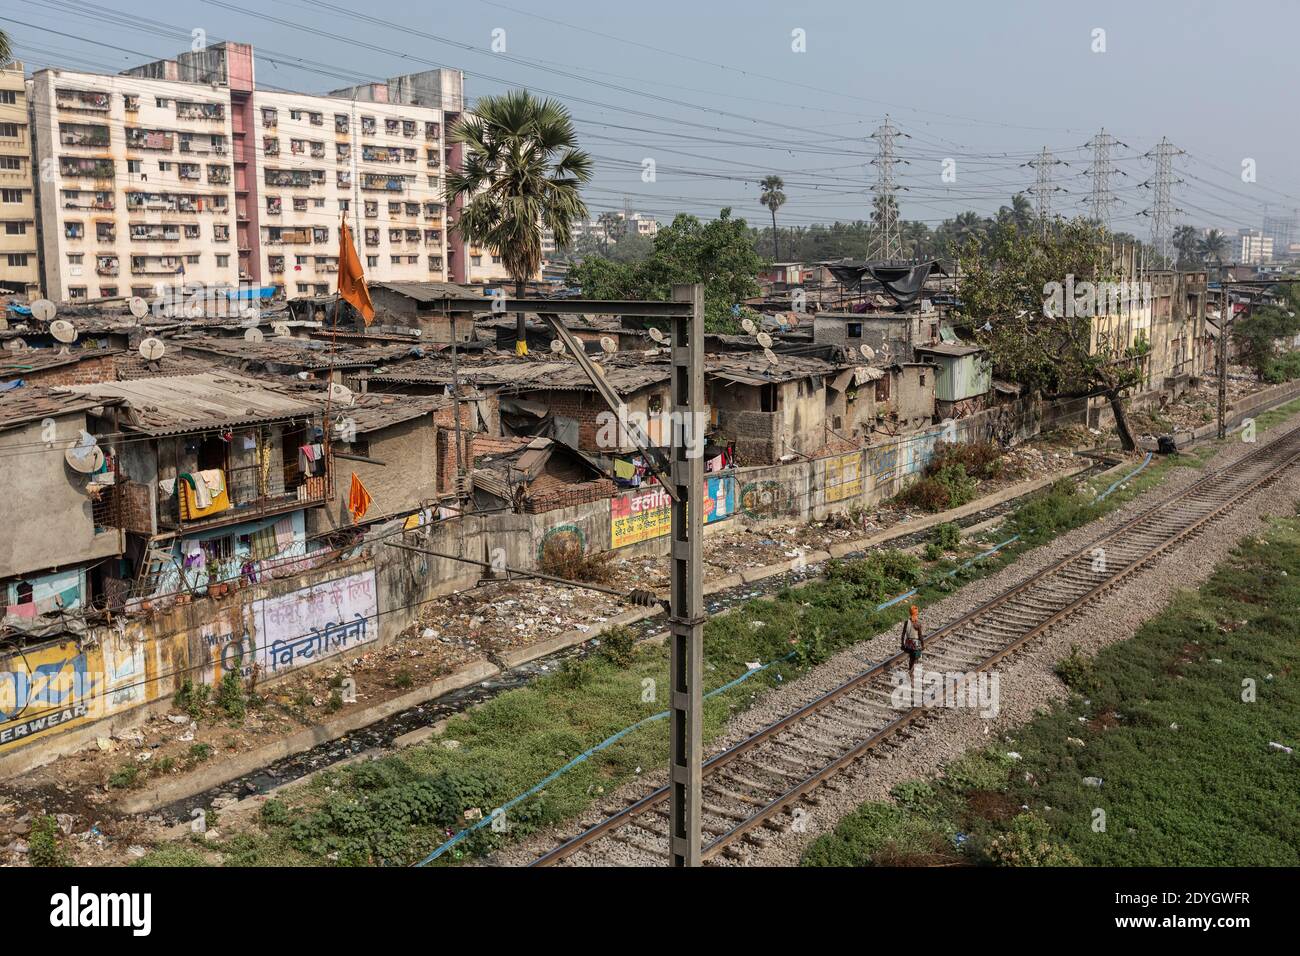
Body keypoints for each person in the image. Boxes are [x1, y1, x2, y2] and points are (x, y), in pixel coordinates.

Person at [900, 604, 924, 675]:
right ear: (916, 613)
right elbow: (920, 636)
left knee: (911, 658)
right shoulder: (917, 623)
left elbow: (903, 634)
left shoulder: (907, 622)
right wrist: (922, 644)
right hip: (915, 644)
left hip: (908, 643)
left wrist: (902, 644)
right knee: (916, 658)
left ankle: (910, 670)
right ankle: (910, 673)